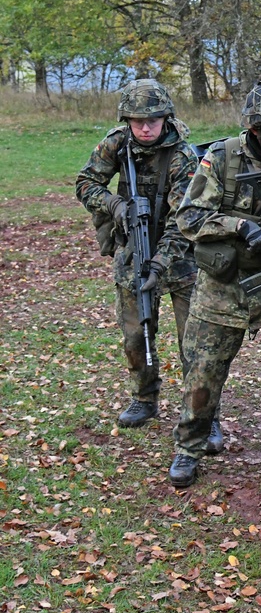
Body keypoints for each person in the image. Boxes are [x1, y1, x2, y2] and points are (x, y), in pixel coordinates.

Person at [167, 80, 261, 488]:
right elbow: (189, 218)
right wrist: (240, 226)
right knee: (203, 374)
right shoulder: (222, 159)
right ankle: (190, 447)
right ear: (254, 128)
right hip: (223, 287)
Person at [76, 79, 222, 452]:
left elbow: (185, 220)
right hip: (131, 257)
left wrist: (160, 263)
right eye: (137, 120)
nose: (145, 128)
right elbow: (86, 182)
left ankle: (205, 417)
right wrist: (114, 205)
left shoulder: (184, 157)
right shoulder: (117, 142)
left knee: (198, 347)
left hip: (182, 261)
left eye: (153, 120)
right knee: (135, 336)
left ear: (166, 118)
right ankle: (144, 398)